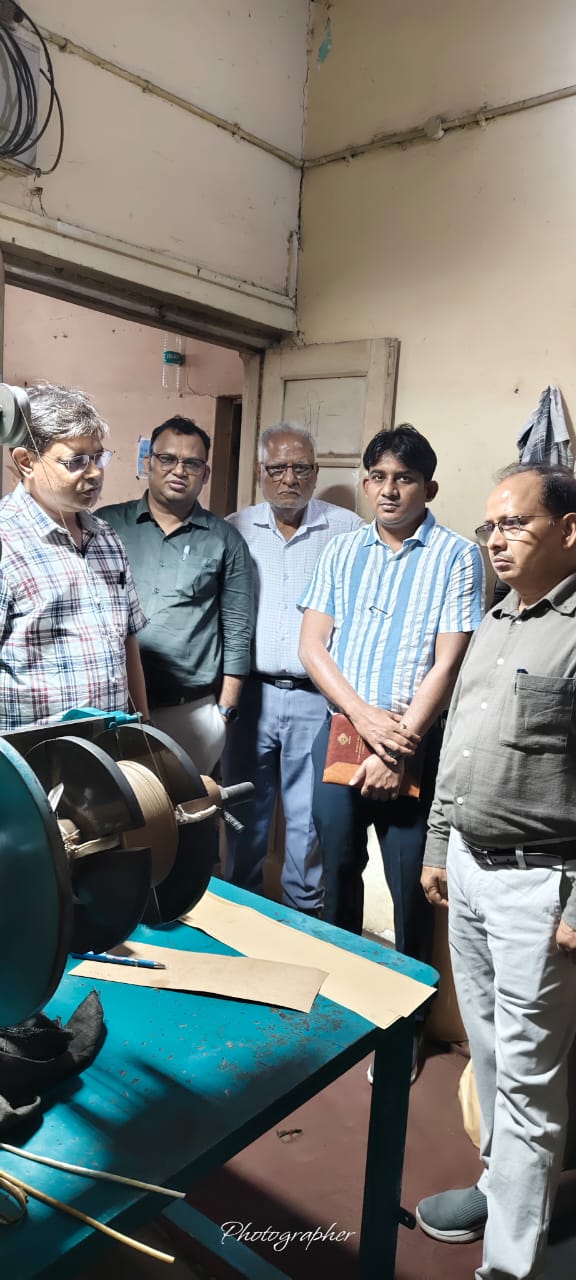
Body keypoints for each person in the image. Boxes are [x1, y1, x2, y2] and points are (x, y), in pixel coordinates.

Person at [416, 463, 576, 1280]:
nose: (496, 541)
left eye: (514, 524)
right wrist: (438, 844)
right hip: (471, 871)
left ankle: (510, 1266)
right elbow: (460, 746)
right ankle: (499, 1185)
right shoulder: (497, 618)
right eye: (489, 527)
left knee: (528, 1080)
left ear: (570, 531)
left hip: (539, 888)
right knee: (489, 1057)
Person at [298, 425, 485, 965]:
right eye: (378, 476)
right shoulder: (340, 551)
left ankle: (414, 1007)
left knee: (412, 885)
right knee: (336, 872)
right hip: (341, 734)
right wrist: (364, 719)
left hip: (416, 742)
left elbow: (449, 663)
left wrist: (396, 746)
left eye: (404, 478)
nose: (389, 489)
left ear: (429, 488)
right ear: (365, 483)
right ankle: (342, 988)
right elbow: (312, 646)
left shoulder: (458, 556)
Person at [221, 422, 364, 914]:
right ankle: (241, 910)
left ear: (316, 472)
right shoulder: (236, 527)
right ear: (260, 470)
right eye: (278, 468)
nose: (289, 479)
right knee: (243, 809)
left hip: (316, 697)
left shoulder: (347, 530)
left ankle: (303, 918)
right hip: (250, 696)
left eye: (301, 468)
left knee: (308, 822)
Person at [100, 415, 253, 774]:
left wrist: (224, 712)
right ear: (148, 463)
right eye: (167, 459)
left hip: (190, 711)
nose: (179, 470)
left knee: (190, 807)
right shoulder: (105, 525)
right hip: (113, 705)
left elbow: (237, 630)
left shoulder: (225, 540)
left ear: (206, 473)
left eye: (192, 463)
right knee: (116, 804)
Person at [0, 382, 149, 731]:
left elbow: (127, 642)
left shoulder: (107, 538)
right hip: (27, 754)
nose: (95, 472)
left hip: (108, 748)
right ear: (26, 462)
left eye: (98, 457)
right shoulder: (5, 541)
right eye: (76, 461)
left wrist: (144, 726)